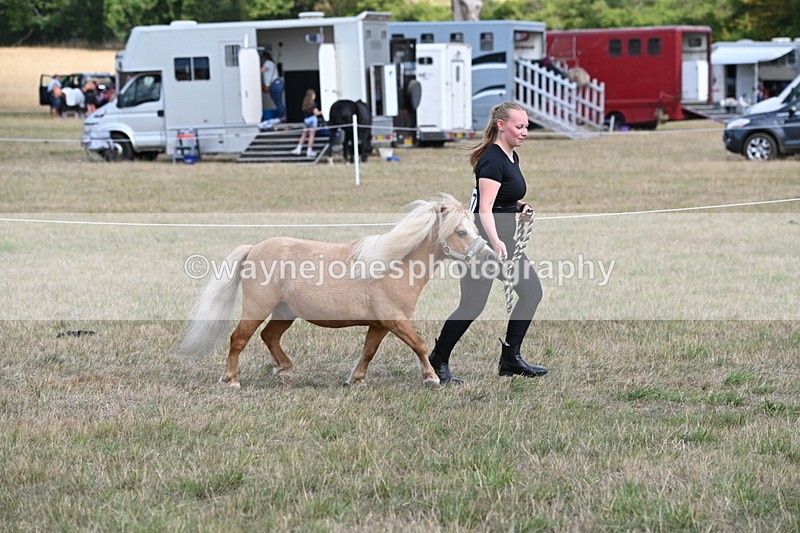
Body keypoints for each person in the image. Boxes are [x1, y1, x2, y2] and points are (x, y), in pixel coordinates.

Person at [429, 101, 548, 384]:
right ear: (501, 125)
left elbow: (501, 198)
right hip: (486, 247)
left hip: (503, 242)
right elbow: (484, 208)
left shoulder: (509, 156)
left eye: (526, 127)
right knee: (475, 305)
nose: (525, 132)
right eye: (519, 127)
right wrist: (494, 242)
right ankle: (439, 360)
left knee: (521, 295)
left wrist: (520, 206)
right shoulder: (492, 160)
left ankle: (509, 359)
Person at [291, 89, 323, 157]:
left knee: (304, 135)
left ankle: (298, 148)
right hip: (312, 120)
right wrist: (322, 112)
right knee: (311, 136)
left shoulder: (305, 103)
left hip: (306, 120)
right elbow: (316, 113)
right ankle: (309, 151)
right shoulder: (313, 104)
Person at [261, 51, 285, 121]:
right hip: (277, 83)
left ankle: (282, 117)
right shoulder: (272, 63)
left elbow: (261, 70)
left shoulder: (267, 62)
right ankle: (281, 116)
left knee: (278, 101)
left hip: (275, 84)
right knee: (278, 101)